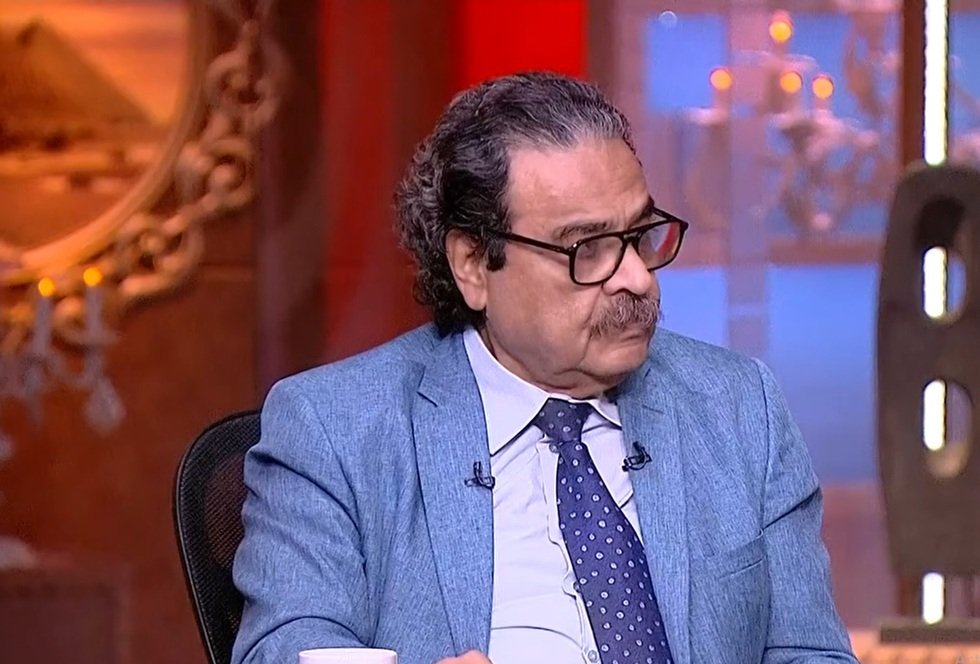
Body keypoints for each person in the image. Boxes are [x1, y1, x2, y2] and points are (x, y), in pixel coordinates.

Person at [231, 71, 857, 664]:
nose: (637, 279)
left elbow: (811, 651)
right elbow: (289, 646)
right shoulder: (336, 429)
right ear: (474, 264)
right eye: (589, 248)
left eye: (640, 235)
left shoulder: (739, 407)